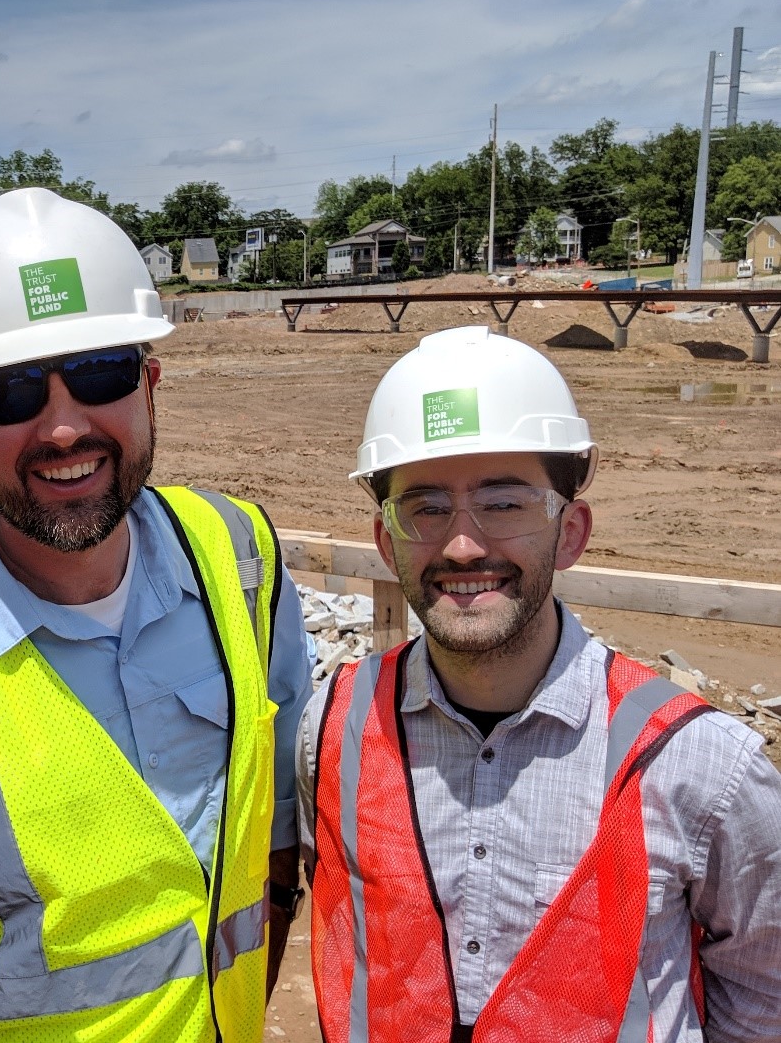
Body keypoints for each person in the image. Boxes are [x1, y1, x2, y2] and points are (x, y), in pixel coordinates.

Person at [0, 187, 314, 1042]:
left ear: (150, 384)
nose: (65, 425)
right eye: (10, 392)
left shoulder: (241, 557)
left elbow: (276, 842)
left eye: (103, 370)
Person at [298, 324, 781, 1042]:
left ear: (573, 530)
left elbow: (762, 999)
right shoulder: (333, 727)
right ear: (384, 539)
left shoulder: (701, 766)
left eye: (504, 504)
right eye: (425, 507)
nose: (463, 544)